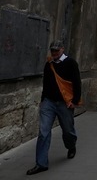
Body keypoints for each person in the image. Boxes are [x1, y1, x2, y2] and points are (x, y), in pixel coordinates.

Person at [26, 40, 81, 175]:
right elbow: (46, 83)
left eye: (57, 50)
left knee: (68, 131)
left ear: (62, 49)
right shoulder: (49, 64)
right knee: (43, 131)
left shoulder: (71, 63)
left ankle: (71, 146)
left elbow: (77, 82)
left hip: (65, 103)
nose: (54, 53)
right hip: (49, 102)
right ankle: (41, 163)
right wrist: (43, 100)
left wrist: (74, 101)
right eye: (53, 51)